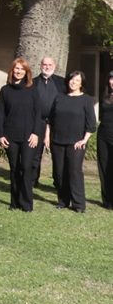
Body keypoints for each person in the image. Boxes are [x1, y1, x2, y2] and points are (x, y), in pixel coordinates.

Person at [44, 70, 96, 213]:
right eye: (72, 79)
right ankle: (63, 201)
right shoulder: (59, 97)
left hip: (77, 143)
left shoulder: (86, 100)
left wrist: (84, 140)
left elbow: (91, 124)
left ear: (81, 83)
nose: (74, 82)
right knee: (59, 173)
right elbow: (50, 119)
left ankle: (78, 204)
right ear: (68, 81)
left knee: (74, 172)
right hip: (57, 141)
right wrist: (47, 136)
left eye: (77, 80)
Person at [0, 58, 42, 212]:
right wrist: (1, 135)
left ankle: (27, 203)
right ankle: (14, 202)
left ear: (26, 72)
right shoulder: (5, 90)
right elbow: (0, 114)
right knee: (14, 168)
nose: (19, 71)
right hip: (10, 136)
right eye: (16, 68)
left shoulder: (33, 90)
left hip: (29, 136)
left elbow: (38, 114)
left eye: (22, 69)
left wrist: (36, 133)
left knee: (26, 168)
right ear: (12, 70)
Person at [33, 56, 66, 187]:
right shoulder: (33, 82)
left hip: (57, 124)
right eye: (44, 64)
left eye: (49, 65)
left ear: (54, 66)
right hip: (38, 123)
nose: (47, 67)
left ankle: (59, 182)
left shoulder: (62, 82)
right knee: (35, 154)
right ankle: (32, 181)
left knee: (58, 155)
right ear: (40, 65)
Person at [98, 71, 113, 209]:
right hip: (103, 135)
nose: (112, 82)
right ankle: (107, 200)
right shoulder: (105, 95)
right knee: (103, 167)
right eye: (111, 79)